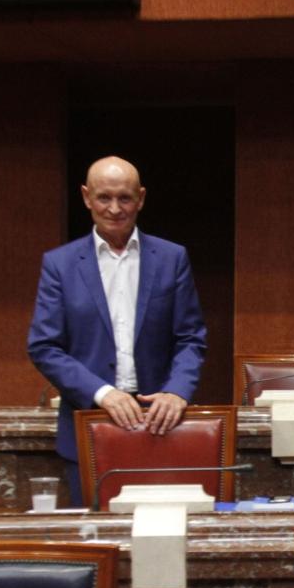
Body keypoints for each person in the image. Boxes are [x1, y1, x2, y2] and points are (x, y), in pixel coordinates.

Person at [28, 156, 208, 504]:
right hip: (90, 422)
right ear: (86, 197)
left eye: (124, 198)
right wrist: (102, 392)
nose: (114, 208)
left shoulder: (172, 258)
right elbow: (44, 346)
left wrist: (177, 391)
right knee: (98, 543)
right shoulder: (60, 264)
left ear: (140, 198)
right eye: (103, 198)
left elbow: (191, 337)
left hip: (161, 424)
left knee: (160, 539)